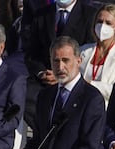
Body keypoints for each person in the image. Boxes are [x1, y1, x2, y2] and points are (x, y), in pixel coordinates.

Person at [23, 0, 96, 133]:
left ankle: (63, 133)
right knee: (22, 93)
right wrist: (42, 72)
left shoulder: (90, 14)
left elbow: (90, 52)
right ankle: (46, 132)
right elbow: (32, 52)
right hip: (46, 76)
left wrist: (63, 74)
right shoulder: (42, 14)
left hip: (74, 75)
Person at [79, 3, 115, 106]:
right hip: (81, 106)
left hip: (106, 109)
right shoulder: (83, 50)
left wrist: (90, 84)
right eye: (99, 22)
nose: (103, 26)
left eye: (108, 23)